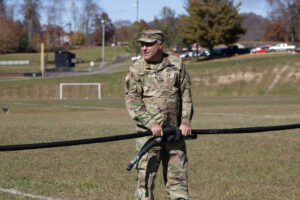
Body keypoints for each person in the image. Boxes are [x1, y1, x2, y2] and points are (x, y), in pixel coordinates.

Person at [125, 29, 193, 200]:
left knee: (178, 183)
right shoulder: (136, 68)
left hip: (174, 134)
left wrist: (185, 121)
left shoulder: (176, 65)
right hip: (148, 136)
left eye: (149, 44)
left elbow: (185, 95)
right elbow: (133, 100)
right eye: (142, 44)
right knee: (145, 184)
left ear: (160, 45)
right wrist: (151, 124)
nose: (144, 48)